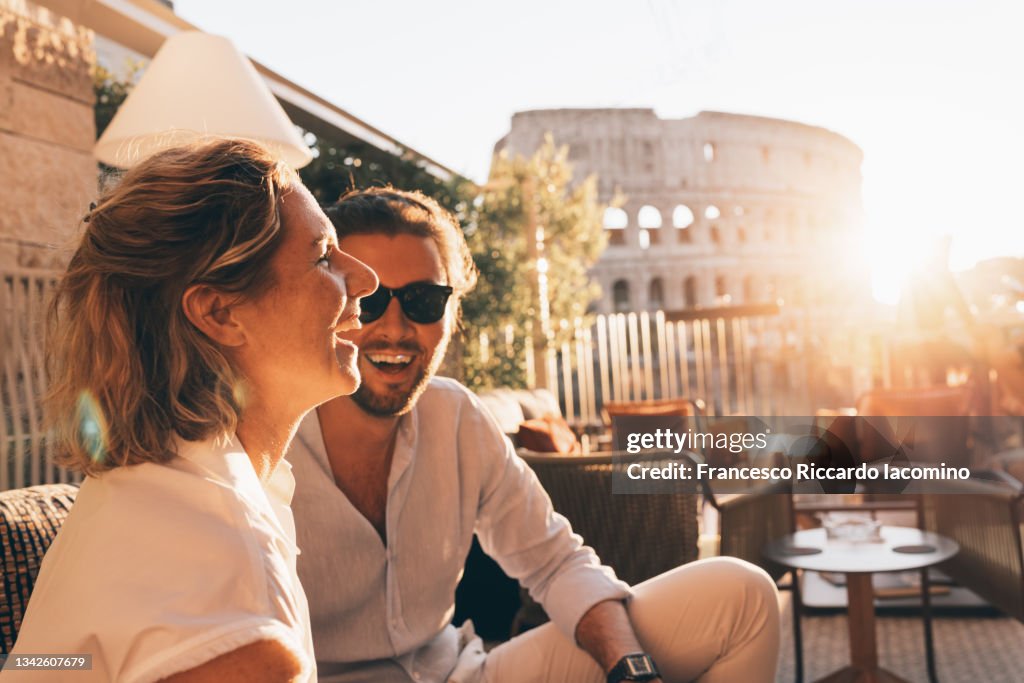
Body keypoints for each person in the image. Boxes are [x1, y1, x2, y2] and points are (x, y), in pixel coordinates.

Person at [288, 187, 780, 683]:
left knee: (742, 593)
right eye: (367, 300)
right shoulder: (266, 444)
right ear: (327, 301)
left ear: (450, 312)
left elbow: (555, 562)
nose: (395, 327)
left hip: (458, 674)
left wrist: (631, 669)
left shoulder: (456, 416)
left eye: (422, 300)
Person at [8, 139, 377, 682]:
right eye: (323, 255)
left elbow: (42, 663)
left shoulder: (143, 488)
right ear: (219, 311)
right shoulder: (229, 590)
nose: (366, 277)